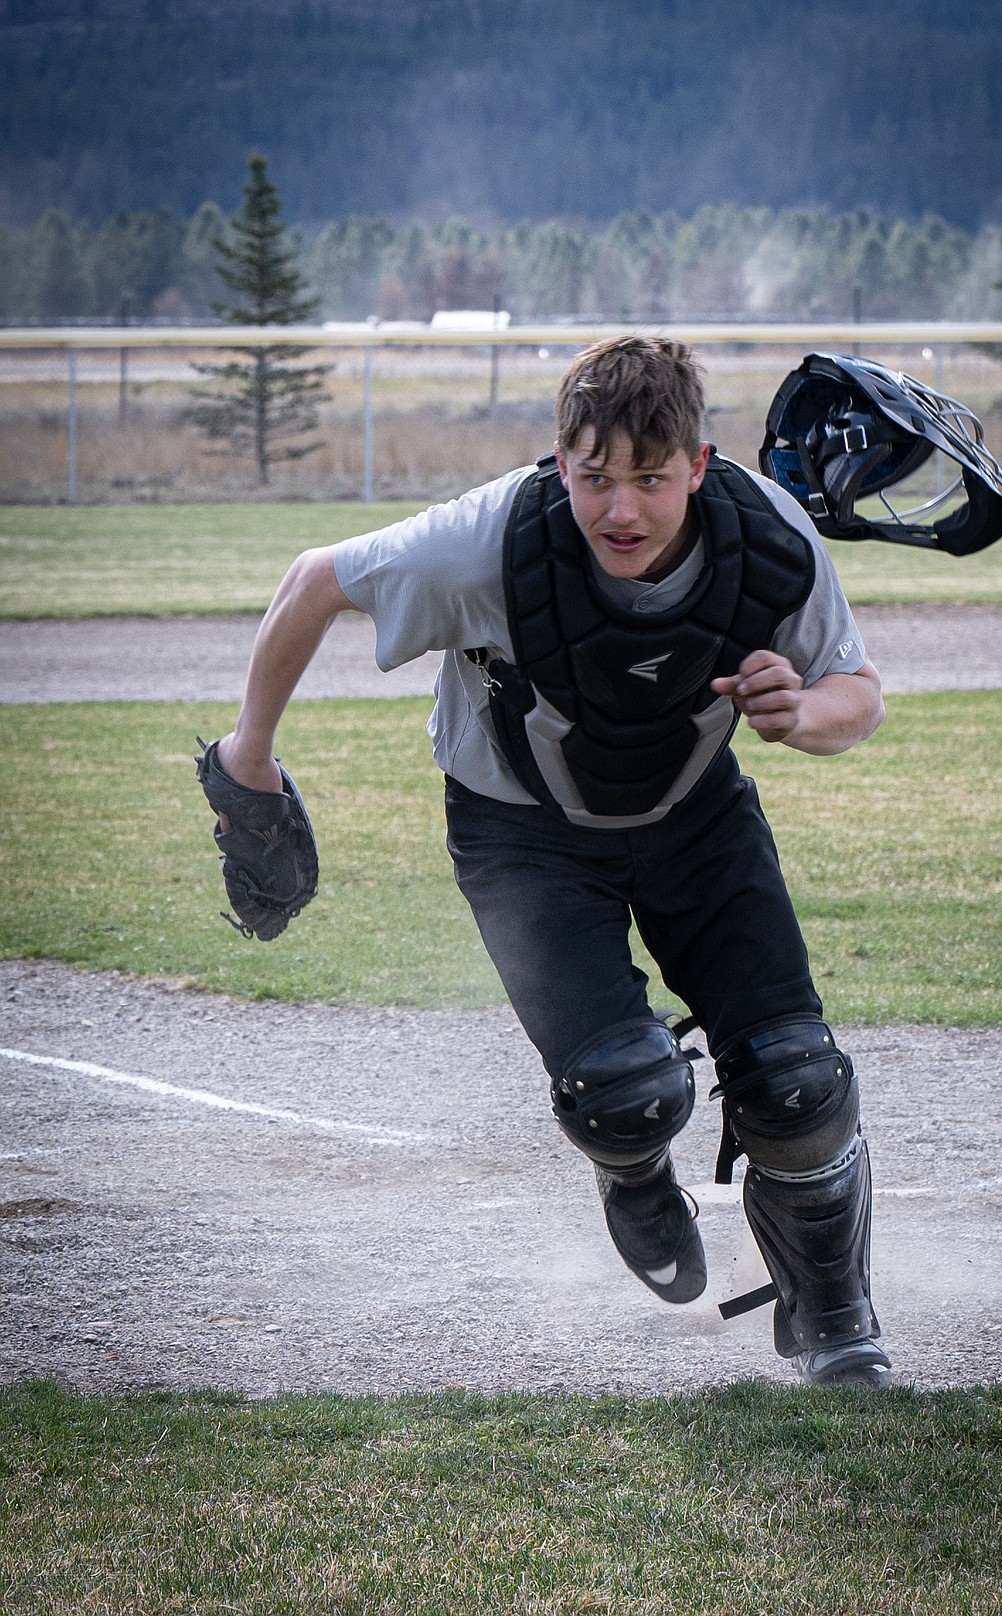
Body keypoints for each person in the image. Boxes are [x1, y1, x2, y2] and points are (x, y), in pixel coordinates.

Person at [211, 335, 891, 1388]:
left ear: (701, 465)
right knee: (622, 1092)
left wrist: (803, 710)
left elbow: (860, 693)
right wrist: (247, 760)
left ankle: (835, 1311)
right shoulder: (489, 542)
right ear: (560, 461)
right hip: (521, 835)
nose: (622, 509)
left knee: (800, 1082)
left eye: (652, 479)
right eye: (594, 477)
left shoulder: (769, 535)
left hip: (696, 818)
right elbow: (312, 582)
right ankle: (633, 1173)